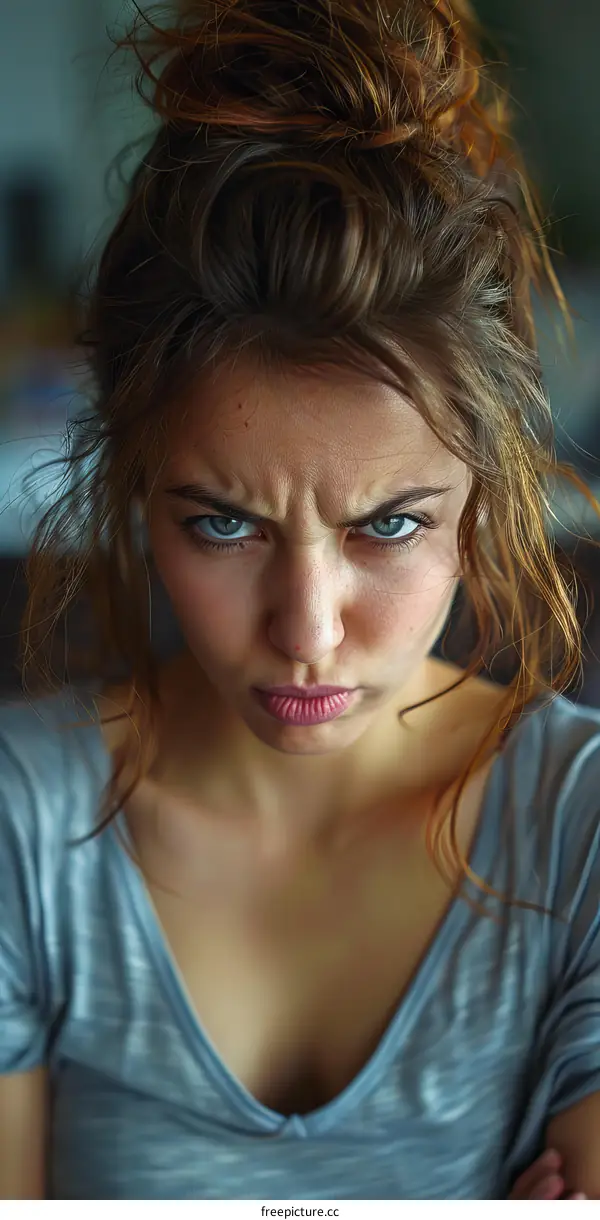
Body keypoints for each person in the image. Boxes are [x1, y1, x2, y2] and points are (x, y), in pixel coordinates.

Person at [0, 0, 598, 1201]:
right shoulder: (24, 825)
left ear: (485, 501)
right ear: (135, 490)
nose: (307, 628)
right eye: (224, 521)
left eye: (389, 524)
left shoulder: (581, 831)